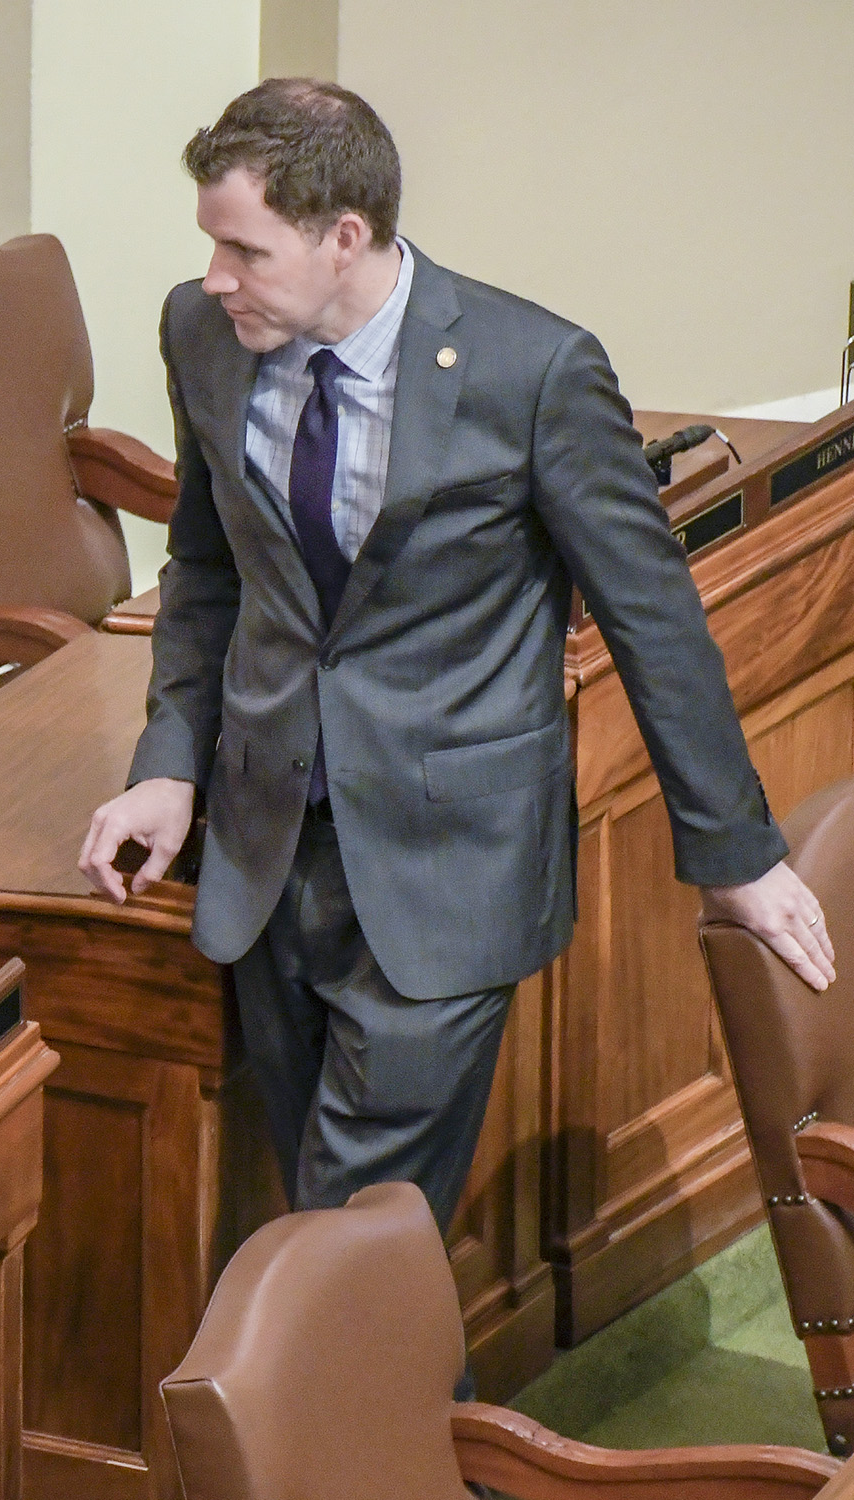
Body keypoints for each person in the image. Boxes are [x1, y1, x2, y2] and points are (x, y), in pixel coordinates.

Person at [79, 80, 834, 1244]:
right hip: (267, 848)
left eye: (244, 247)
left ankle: (361, 1425)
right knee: (338, 1217)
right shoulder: (205, 334)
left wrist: (732, 851)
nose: (216, 275)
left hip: (450, 864)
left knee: (339, 1229)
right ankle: (417, 1420)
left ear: (345, 235)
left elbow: (654, 619)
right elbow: (208, 568)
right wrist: (169, 761)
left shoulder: (529, 373)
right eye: (210, 245)